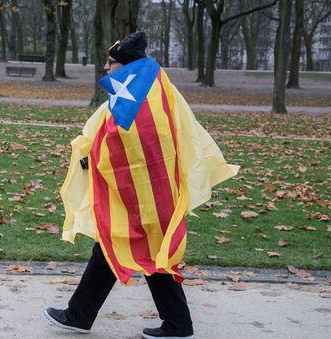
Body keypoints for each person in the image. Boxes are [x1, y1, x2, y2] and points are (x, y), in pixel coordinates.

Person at [45, 31, 239, 339]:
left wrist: (96, 157)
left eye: (111, 62)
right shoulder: (144, 89)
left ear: (125, 66)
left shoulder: (139, 98)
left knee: (148, 252)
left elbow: (133, 142)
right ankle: (79, 315)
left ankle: (177, 325)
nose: (106, 68)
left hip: (147, 194)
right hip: (142, 193)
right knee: (115, 246)